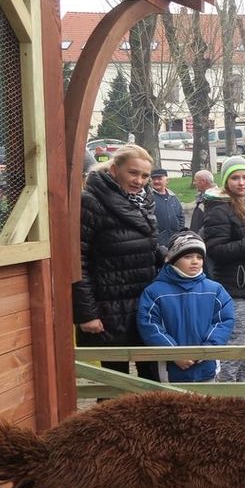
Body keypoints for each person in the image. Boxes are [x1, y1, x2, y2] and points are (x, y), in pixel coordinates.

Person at [73, 144, 161, 381]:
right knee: (114, 384)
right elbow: (78, 261)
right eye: (133, 173)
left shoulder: (145, 203)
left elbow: (149, 250)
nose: (139, 181)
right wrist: (86, 314)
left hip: (143, 306)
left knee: (151, 379)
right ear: (114, 170)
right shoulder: (91, 202)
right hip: (108, 309)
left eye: (144, 175)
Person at [200, 156, 245, 382]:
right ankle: (227, 395)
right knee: (234, 346)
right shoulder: (218, 209)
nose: (241, 182)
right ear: (226, 181)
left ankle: (242, 393)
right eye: (235, 178)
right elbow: (215, 250)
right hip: (233, 288)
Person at [136, 231, 235, 383]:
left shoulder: (215, 290)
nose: (195, 261)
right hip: (169, 371)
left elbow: (224, 321)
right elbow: (150, 326)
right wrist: (174, 353)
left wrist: (207, 348)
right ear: (173, 259)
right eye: (187, 257)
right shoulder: (154, 292)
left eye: (199, 257)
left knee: (206, 405)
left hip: (206, 367)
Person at [149, 168, 185, 250]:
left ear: (167, 180)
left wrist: (178, 232)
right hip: (157, 243)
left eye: (159, 179)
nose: (156, 181)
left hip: (175, 240)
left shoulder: (173, 197)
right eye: (154, 179)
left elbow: (181, 216)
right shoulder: (148, 197)